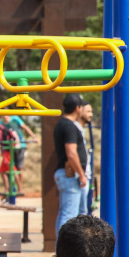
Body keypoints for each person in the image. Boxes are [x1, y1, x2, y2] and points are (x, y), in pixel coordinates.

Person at [52, 94, 88, 235]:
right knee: (69, 215)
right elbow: (71, 153)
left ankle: (60, 250)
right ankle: (64, 252)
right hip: (70, 175)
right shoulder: (69, 126)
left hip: (64, 174)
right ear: (78, 108)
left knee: (64, 213)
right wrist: (81, 174)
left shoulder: (61, 124)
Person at [78, 103, 96, 215]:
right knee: (79, 212)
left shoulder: (82, 129)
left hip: (84, 174)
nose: (91, 114)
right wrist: (81, 175)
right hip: (80, 176)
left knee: (83, 210)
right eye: (88, 111)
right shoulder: (76, 129)